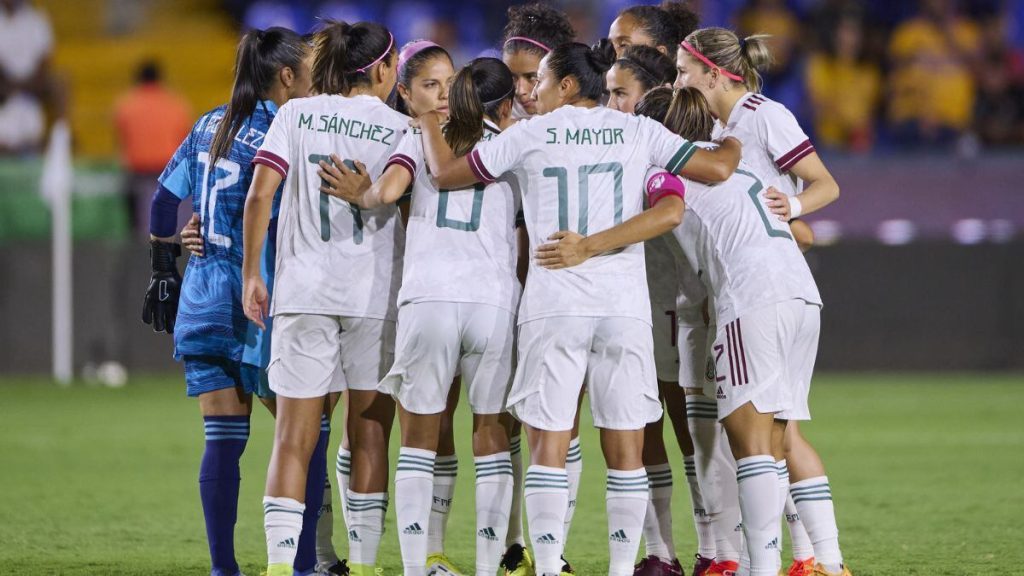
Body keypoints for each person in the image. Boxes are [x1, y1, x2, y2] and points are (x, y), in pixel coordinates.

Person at [415, 41, 740, 576]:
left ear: (567, 85)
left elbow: (447, 174)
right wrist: (738, 132)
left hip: (554, 304)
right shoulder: (638, 130)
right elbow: (716, 169)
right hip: (623, 308)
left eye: (539, 81)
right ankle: (617, 569)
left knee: (549, 442)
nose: (530, 92)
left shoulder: (529, 134)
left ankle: (546, 568)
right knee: (626, 450)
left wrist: (429, 121)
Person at [534, 85, 830, 576]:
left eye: (621, 96)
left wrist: (587, 246)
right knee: (777, 438)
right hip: (791, 298)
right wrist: (733, 151)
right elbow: (803, 234)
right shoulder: (743, 176)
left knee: (742, 443)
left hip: (733, 304)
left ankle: (745, 563)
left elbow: (669, 210)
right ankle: (821, 559)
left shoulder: (660, 170)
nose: (616, 109)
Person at [322, 55, 524, 576]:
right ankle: (485, 566)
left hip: (428, 299)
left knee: (419, 435)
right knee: (490, 432)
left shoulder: (418, 136)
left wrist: (358, 194)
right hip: (493, 301)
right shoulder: (512, 143)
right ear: (500, 102)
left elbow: (387, 193)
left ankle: (416, 567)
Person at [140, 27, 316, 576]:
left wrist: (167, 261)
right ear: (286, 76)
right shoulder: (289, 127)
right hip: (261, 297)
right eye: (309, 69)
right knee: (304, 436)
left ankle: (223, 570)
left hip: (202, 295)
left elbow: (163, 207)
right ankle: (304, 565)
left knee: (222, 440)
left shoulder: (208, 125)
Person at [675, 27, 849, 576]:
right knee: (780, 433)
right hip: (778, 277)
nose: (679, 80)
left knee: (758, 438)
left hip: (757, 285)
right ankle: (820, 561)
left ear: (712, 72)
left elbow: (826, 184)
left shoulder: (762, 113)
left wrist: (792, 206)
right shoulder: (720, 130)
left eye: (684, 70)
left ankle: (768, 564)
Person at [240, 20, 406, 576]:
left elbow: (261, 193)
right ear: (382, 69)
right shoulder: (399, 127)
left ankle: (278, 568)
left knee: (293, 435)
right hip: (372, 295)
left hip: (304, 290)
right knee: (368, 433)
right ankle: (360, 566)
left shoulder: (296, 114)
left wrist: (251, 275)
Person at [498, 5, 576, 574]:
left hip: (571, 294)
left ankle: (549, 548)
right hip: (511, 294)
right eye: (513, 80)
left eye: (533, 78)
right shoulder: (501, 132)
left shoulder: (585, 132)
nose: (523, 91)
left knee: (563, 427)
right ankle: (511, 547)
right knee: (511, 425)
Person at [114, 60, 192, 240]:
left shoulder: (126, 106)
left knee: (138, 232)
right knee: (171, 230)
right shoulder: (177, 105)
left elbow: (123, 142)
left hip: (138, 176)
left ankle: (139, 256)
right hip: (169, 176)